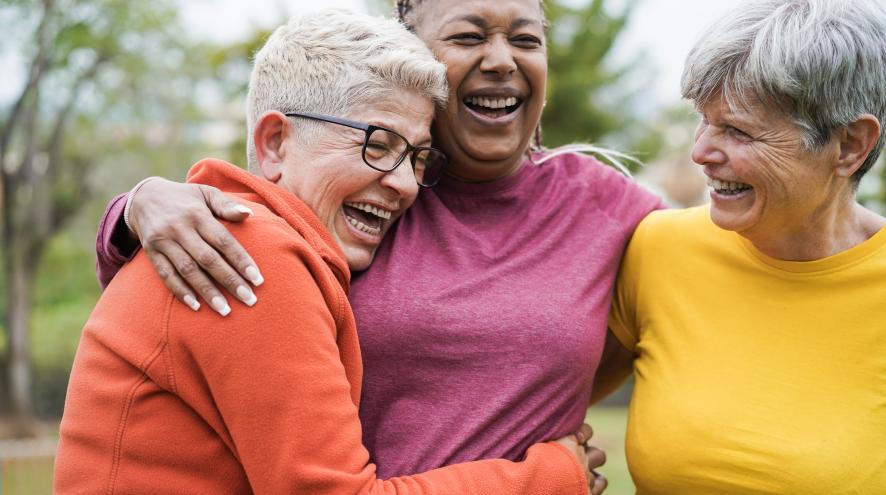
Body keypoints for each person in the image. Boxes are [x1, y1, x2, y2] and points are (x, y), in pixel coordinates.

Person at [94, 0, 660, 485]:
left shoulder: (608, 209)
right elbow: (212, 270)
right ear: (418, 55)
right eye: (468, 35)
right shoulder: (352, 201)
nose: (500, 59)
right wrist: (136, 207)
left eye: (525, 38)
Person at [600, 0, 886, 492]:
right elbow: (541, 406)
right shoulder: (658, 249)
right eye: (704, 120)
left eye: (737, 130)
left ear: (850, 146)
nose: (701, 152)